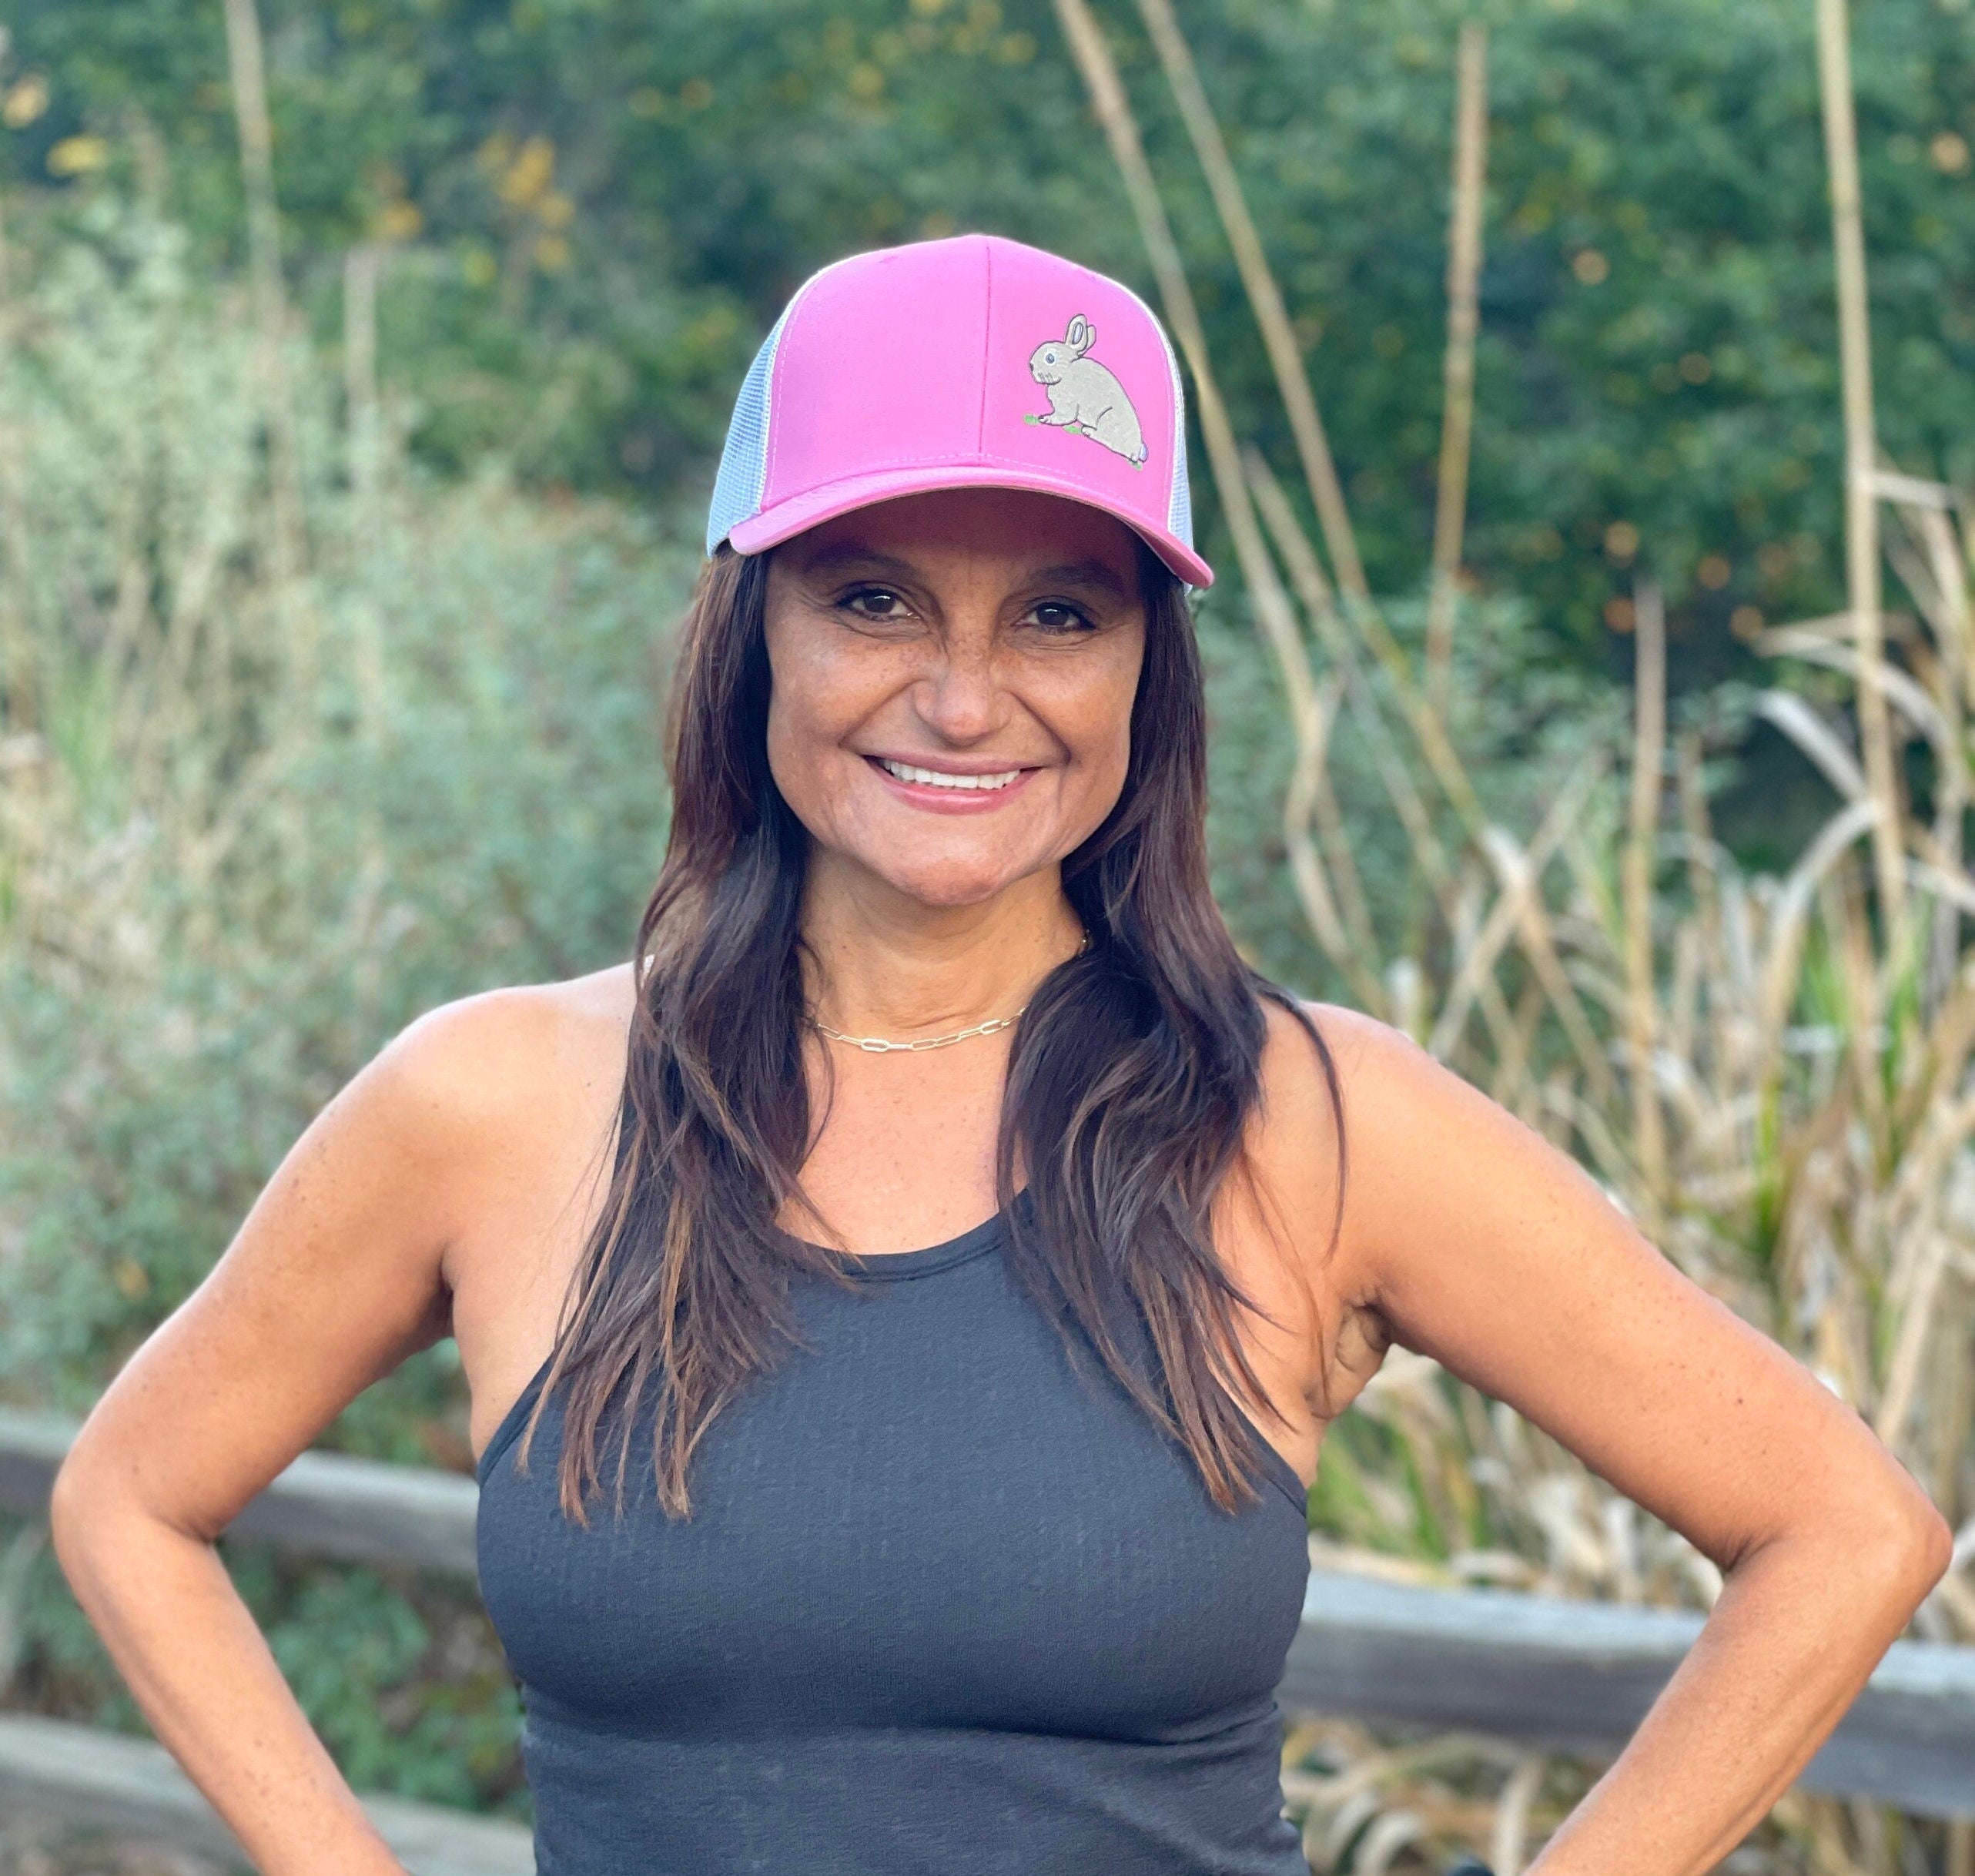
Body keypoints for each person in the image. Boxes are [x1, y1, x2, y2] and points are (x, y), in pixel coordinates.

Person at [50, 231, 1951, 1876]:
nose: (963, 697)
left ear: (1145, 665)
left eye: (1057, 612)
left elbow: (1833, 1525)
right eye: (869, 595)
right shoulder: (494, 1107)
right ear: (751, 628)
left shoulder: (1306, 1122)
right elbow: (132, 1495)